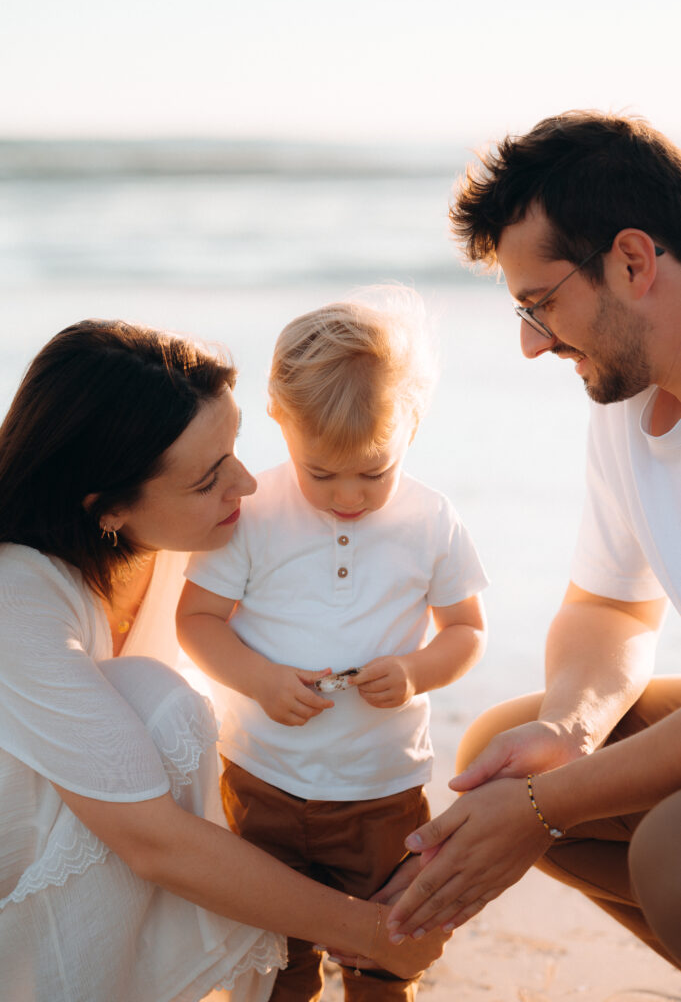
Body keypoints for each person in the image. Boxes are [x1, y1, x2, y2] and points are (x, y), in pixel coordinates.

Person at [0, 318, 450, 1002]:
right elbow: (153, 839)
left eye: (236, 449)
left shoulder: (185, 545)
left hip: (116, 851)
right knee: (158, 704)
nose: (246, 483)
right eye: (211, 478)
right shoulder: (17, 595)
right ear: (108, 508)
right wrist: (372, 931)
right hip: (31, 891)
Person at [385, 111, 681, 970]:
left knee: (664, 848)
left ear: (632, 261)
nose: (529, 344)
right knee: (501, 759)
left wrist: (544, 808)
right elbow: (611, 604)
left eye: (540, 305)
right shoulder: (629, 400)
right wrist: (570, 731)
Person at [176, 289, 488, 1001]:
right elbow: (197, 620)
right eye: (322, 473)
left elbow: (466, 631)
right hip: (263, 781)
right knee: (270, 955)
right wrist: (258, 679)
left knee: (386, 948)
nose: (348, 494)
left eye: (373, 471)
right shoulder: (252, 515)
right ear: (281, 424)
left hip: (381, 792)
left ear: (411, 423)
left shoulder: (431, 519)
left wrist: (414, 671)